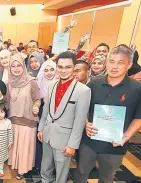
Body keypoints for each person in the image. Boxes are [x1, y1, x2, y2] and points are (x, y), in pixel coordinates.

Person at [74, 45, 141, 183]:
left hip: (115, 144)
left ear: (129, 65)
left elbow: (140, 117)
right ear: (107, 63)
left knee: (107, 177)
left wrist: (126, 136)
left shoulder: (139, 89)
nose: (114, 66)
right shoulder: (93, 85)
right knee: (81, 172)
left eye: (120, 62)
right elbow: (83, 108)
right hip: (89, 140)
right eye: (111, 61)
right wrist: (85, 123)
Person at [37, 52, 91, 183]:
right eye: (60, 67)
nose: (63, 70)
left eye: (68, 67)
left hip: (65, 138)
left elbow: (79, 121)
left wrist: (73, 144)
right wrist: (41, 129)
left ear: (74, 68)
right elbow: (46, 110)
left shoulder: (83, 90)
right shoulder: (52, 85)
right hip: (47, 133)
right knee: (45, 165)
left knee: (61, 170)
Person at [6, 54, 41, 179]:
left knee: (24, 146)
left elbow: (37, 99)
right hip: (14, 120)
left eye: (19, 65)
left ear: (23, 66)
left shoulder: (32, 82)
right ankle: (15, 165)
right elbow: (7, 102)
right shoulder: (9, 83)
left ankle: (23, 169)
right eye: (13, 66)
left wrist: (36, 106)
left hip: (28, 120)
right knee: (15, 145)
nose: (16, 68)